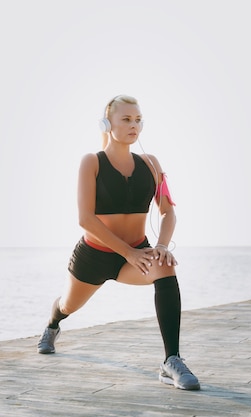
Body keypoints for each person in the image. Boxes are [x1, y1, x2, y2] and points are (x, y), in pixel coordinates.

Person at [36, 95, 200, 391]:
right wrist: (128, 253)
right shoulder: (92, 162)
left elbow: (168, 211)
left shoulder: (151, 163)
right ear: (107, 123)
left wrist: (161, 245)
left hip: (136, 254)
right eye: (126, 119)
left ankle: (171, 360)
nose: (133, 125)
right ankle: (52, 325)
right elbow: (85, 219)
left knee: (165, 267)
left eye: (138, 120)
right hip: (94, 256)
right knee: (68, 304)